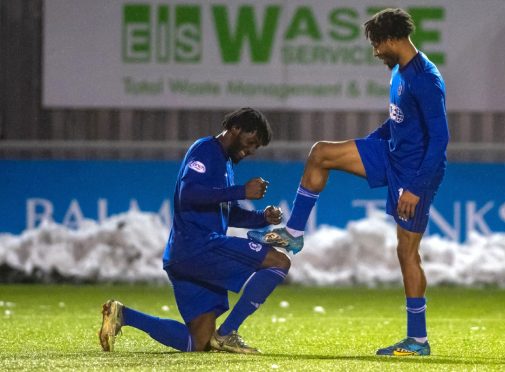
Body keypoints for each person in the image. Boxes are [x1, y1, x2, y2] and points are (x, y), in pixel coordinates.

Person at [248, 8, 449, 357]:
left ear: (391, 40)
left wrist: (416, 188)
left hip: (415, 172)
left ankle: (417, 340)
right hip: (390, 155)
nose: (375, 52)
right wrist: (371, 142)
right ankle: (293, 233)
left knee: (407, 252)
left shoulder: (426, 79)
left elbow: (440, 140)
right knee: (321, 153)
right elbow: (397, 123)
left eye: (376, 45)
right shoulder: (400, 73)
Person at [99, 107, 290, 354]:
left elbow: (225, 211)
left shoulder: (224, 163)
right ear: (235, 129)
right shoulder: (206, 150)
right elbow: (188, 194)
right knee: (279, 262)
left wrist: (262, 217)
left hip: (185, 255)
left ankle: (123, 315)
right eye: (251, 142)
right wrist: (241, 191)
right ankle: (227, 332)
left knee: (198, 342)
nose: (251, 150)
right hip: (199, 246)